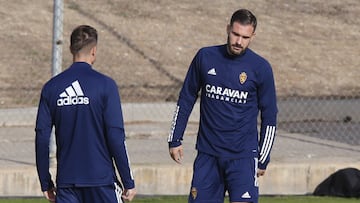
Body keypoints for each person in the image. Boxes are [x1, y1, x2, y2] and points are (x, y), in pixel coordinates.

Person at [168, 9, 277, 203]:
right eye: (235, 34)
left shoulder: (260, 68)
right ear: (228, 29)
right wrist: (175, 138)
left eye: (245, 37)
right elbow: (186, 98)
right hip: (208, 155)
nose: (239, 42)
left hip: (243, 158)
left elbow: (270, 116)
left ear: (253, 36)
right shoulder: (205, 56)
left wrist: (263, 157)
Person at [35, 25, 136, 203]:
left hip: (67, 184)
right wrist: (128, 181)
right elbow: (116, 136)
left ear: (70, 49)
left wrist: (46, 183)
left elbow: (42, 137)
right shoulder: (106, 85)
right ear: (94, 51)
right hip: (102, 181)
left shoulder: (51, 88)